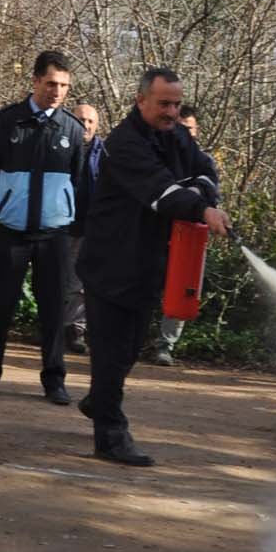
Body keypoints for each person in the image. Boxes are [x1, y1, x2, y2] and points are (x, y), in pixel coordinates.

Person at [76, 68, 230, 466]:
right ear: (140, 100)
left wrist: (202, 192)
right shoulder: (124, 144)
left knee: (127, 350)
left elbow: (203, 169)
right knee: (111, 353)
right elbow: (161, 192)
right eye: (164, 104)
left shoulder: (176, 134)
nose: (172, 112)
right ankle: (110, 436)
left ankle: (100, 398)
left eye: (177, 104)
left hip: (148, 264)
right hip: (111, 264)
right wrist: (202, 206)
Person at [0, 50, 83, 404]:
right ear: (34, 81)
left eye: (63, 85)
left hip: (54, 233)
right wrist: (4, 206)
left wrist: (60, 209)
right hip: (12, 231)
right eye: (50, 83)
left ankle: (54, 380)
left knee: (52, 309)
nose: (56, 91)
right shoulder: (6, 122)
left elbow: (75, 180)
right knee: (0, 305)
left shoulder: (72, 129)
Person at [150, 105, 210, 366]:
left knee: (181, 291)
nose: (184, 134)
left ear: (197, 132)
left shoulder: (204, 163)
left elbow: (210, 194)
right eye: (180, 128)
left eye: (189, 129)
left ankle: (166, 345)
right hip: (154, 235)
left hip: (188, 239)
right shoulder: (157, 156)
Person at [62, 103, 104, 355]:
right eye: (80, 120)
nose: (85, 125)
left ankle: (75, 330)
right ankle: (52, 325)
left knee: (80, 284)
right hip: (58, 224)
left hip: (90, 228)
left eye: (90, 121)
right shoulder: (59, 147)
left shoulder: (105, 154)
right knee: (55, 278)